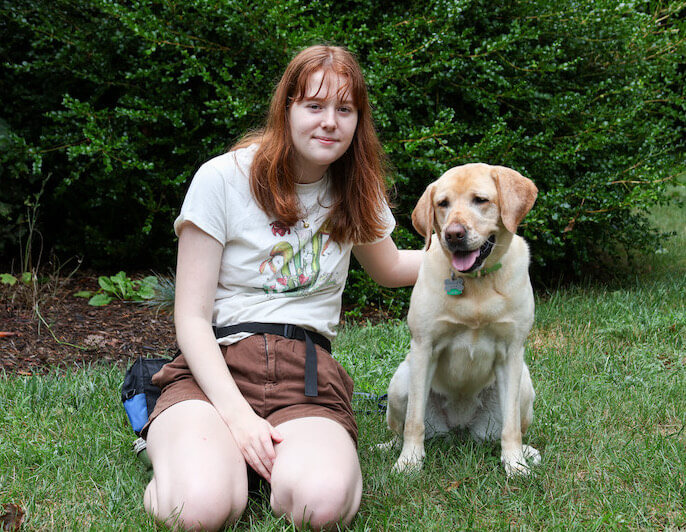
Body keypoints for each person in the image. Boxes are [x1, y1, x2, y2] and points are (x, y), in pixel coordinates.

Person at [141, 44, 423, 531]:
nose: (329, 122)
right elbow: (190, 318)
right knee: (199, 509)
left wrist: (479, 255)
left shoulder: (356, 188)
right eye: (314, 106)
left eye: (344, 109)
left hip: (306, 379)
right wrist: (240, 418)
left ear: (359, 119)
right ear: (287, 108)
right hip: (217, 369)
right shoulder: (223, 178)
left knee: (323, 506)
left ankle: (247, 463)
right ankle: (189, 451)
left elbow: (393, 266)